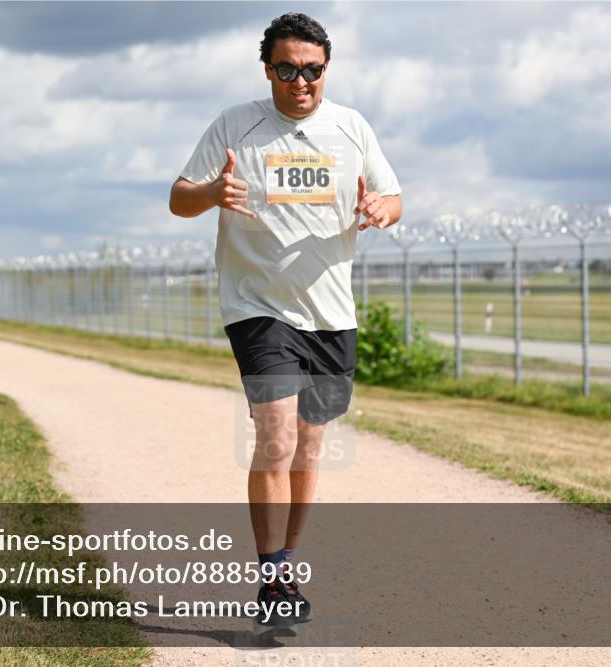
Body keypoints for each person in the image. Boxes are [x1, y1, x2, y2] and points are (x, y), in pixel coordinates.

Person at [169, 12, 401, 633]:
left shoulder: (351, 127)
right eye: (287, 69)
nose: (301, 81)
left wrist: (382, 206)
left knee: (309, 447)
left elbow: (394, 196)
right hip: (258, 307)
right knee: (276, 438)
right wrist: (213, 195)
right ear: (267, 69)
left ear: (326, 70)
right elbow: (178, 196)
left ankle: (288, 562)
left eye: (312, 70)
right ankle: (272, 576)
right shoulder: (235, 126)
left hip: (331, 313)